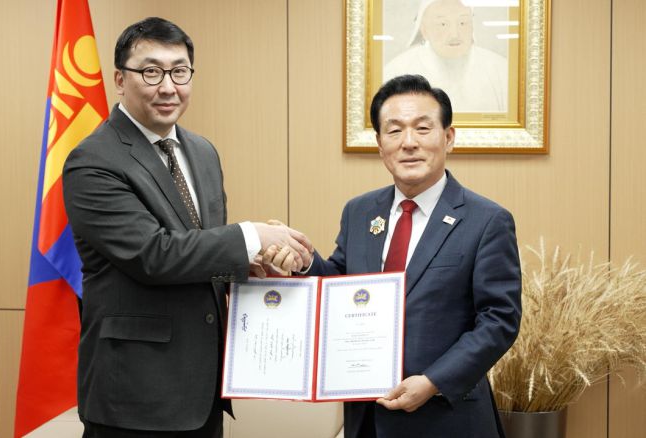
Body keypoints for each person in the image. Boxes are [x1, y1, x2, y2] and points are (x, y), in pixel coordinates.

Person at [62, 17, 311, 437]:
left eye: (179, 71)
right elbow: (153, 255)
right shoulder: (93, 160)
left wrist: (248, 265)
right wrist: (252, 236)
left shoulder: (201, 151)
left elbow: (197, 248)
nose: (167, 87)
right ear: (120, 80)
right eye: (151, 72)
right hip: (135, 397)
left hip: (204, 391)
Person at [282, 74, 521, 437]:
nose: (409, 142)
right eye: (394, 131)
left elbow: (499, 319)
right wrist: (303, 260)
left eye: (423, 128)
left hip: (446, 418)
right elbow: (340, 286)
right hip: (368, 416)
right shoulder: (360, 211)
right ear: (380, 145)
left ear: (449, 137)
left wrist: (433, 381)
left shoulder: (487, 220)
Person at [383, 0, 508, 113]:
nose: (454, 34)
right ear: (424, 30)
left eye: (463, 23)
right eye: (442, 24)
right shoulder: (396, 71)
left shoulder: (500, 69)